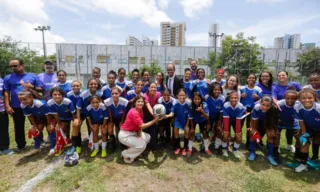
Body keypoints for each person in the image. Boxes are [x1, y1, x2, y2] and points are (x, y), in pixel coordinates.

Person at [4, 58, 43, 153]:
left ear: (22, 65)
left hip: (31, 106)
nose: (13, 68)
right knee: (18, 126)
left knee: (35, 123)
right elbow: (6, 92)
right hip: (16, 106)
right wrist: (8, 106)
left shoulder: (32, 77)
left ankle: (38, 141)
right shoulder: (8, 78)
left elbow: (41, 89)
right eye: (11, 66)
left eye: (15, 65)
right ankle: (21, 145)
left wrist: (31, 87)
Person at [118, 95, 161, 164]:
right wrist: (155, 120)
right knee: (142, 145)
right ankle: (125, 154)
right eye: (138, 101)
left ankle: (134, 151)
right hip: (125, 135)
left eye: (142, 101)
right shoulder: (134, 112)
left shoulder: (140, 110)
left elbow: (139, 126)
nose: (140, 103)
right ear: (134, 103)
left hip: (132, 133)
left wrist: (139, 133)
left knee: (147, 137)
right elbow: (142, 126)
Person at [248, 96, 280, 166]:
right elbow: (254, 122)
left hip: (268, 123)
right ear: (260, 103)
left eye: (267, 106)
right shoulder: (256, 107)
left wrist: (272, 130)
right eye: (263, 105)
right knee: (253, 134)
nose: (265, 107)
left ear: (271, 105)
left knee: (271, 136)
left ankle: (270, 155)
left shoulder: (274, 109)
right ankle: (252, 151)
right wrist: (254, 131)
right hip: (258, 122)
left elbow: (275, 121)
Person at [293, 88, 320, 172]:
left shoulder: (318, 108)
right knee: (304, 143)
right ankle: (303, 165)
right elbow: (300, 121)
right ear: (299, 99)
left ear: (314, 98)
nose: (307, 100)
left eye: (310, 98)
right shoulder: (297, 107)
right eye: (303, 98)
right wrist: (304, 133)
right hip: (308, 127)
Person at [19, 91, 50, 156]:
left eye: (25, 99)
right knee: (36, 130)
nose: (23, 101)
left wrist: (49, 125)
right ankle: (36, 148)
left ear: (32, 97)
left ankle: (53, 147)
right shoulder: (23, 105)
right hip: (39, 117)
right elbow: (30, 116)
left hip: (48, 116)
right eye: (20, 100)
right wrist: (34, 126)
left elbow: (48, 115)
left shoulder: (39, 103)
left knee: (50, 129)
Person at [47, 87, 76, 156]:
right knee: (53, 129)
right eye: (55, 94)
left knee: (64, 128)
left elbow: (73, 113)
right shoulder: (50, 102)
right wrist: (58, 123)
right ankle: (54, 146)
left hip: (68, 116)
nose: (57, 96)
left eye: (59, 94)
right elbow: (55, 115)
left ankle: (65, 140)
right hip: (59, 117)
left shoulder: (67, 101)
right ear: (51, 95)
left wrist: (74, 120)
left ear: (62, 95)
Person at [165, 89, 192, 156]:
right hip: (178, 119)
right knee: (175, 131)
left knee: (186, 132)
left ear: (186, 95)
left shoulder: (188, 102)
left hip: (186, 120)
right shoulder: (175, 102)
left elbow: (190, 115)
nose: (181, 97)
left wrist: (187, 125)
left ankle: (185, 148)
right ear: (177, 95)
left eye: (183, 95)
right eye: (180, 95)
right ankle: (178, 147)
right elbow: (172, 112)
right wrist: (168, 115)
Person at [240, 73, 262, 148]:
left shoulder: (258, 89)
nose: (251, 79)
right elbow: (236, 98)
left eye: (253, 78)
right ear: (247, 79)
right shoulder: (242, 88)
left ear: (255, 79)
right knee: (239, 126)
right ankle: (237, 141)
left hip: (252, 111)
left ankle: (248, 143)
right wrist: (241, 96)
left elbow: (262, 100)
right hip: (242, 110)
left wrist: (258, 97)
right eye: (250, 78)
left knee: (249, 127)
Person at [222, 91, 246, 158]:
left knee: (239, 137)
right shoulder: (226, 105)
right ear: (229, 98)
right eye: (232, 98)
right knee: (225, 135)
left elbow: (238, 119)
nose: (233, 99)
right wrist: (226, 130)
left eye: (235, 98)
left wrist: (238, 132)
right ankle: (224, 149)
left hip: (236, 121)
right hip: (227, 120)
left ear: (238, 98)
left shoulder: (240, 106)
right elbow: (226, 119)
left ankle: (235, 150)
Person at [104, 87, 128, 152]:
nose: (114, 95)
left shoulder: (124, 101)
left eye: (116, 93)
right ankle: (112, 142)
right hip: (112, 117)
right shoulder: (107, 101)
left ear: (119, 94)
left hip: (120, 118)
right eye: (113, 93)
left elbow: (124, 112)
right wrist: (111, 122)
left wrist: (122, 122)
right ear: (111, 94)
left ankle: (121, 143)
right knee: (109, 129)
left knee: (121, 128)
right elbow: (109, 111)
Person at [277, 89, 299, 154]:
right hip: (280, 121)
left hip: (291, 122)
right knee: (277, 134)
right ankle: (277, 146)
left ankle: (289, 145)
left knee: (291, 134)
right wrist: (277, 119)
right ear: (284, 98)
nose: (290, 100)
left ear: (296, 99)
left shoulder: (298, 104)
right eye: (288, 98)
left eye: (293, 98)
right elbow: (275, 113)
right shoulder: (279, 103)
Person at [205, 82, 225, 154]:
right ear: (211, 90)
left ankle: (216, 147)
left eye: (219, 89)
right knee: (206, 130)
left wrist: (219, 123)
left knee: (219, 130)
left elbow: (221, 112)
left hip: (217, 117)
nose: (217, 91)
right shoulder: (207, 97)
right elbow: (206, 110)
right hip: (208, 117)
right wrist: (208, 123)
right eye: (215, 89)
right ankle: (205, 146)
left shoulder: (222, 98)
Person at [191, 92, 212, 156]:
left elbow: (207, 117)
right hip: (193, 120)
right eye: (195, 99)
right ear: (192, 99)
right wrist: (191, 127)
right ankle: (189, 148)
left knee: (205, 134)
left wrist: (201, 111)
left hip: (202, 120)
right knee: (191, 133)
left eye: (198, 99)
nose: (197, 100)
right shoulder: (191, 105)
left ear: (201, 99)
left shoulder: (204, 104)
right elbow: (189, 116)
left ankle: (206, 149)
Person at [66, 80, 83, 155]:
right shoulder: (69, 94)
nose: (76, 87)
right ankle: (76, 145)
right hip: (74, 113)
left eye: (77, 86)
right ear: (71, 87)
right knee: (76, 126)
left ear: (80, 86)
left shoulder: (83, 93)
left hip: (83, 112)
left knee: (77, 126)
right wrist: (75, 116)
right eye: (74, 86)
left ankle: (89, 143)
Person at [143, 82, 161, 150]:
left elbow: (159, 104)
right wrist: (154, 116)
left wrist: (157, 115)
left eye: (155, 87)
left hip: (155, 112)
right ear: (148, 88)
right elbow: (148, 106)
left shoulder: (158, 94)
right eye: (151, 87)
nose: (153, 89)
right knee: (146, 128)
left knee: (154, 128)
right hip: (147, 112)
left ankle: (153, 144)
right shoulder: (145, 95)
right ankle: (146, 144)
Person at [0, 77, 13, 155]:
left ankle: (4, 148)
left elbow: (6, 94)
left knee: (3, 129)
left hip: (2, 110)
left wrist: (7, 106)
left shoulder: (2, 81)